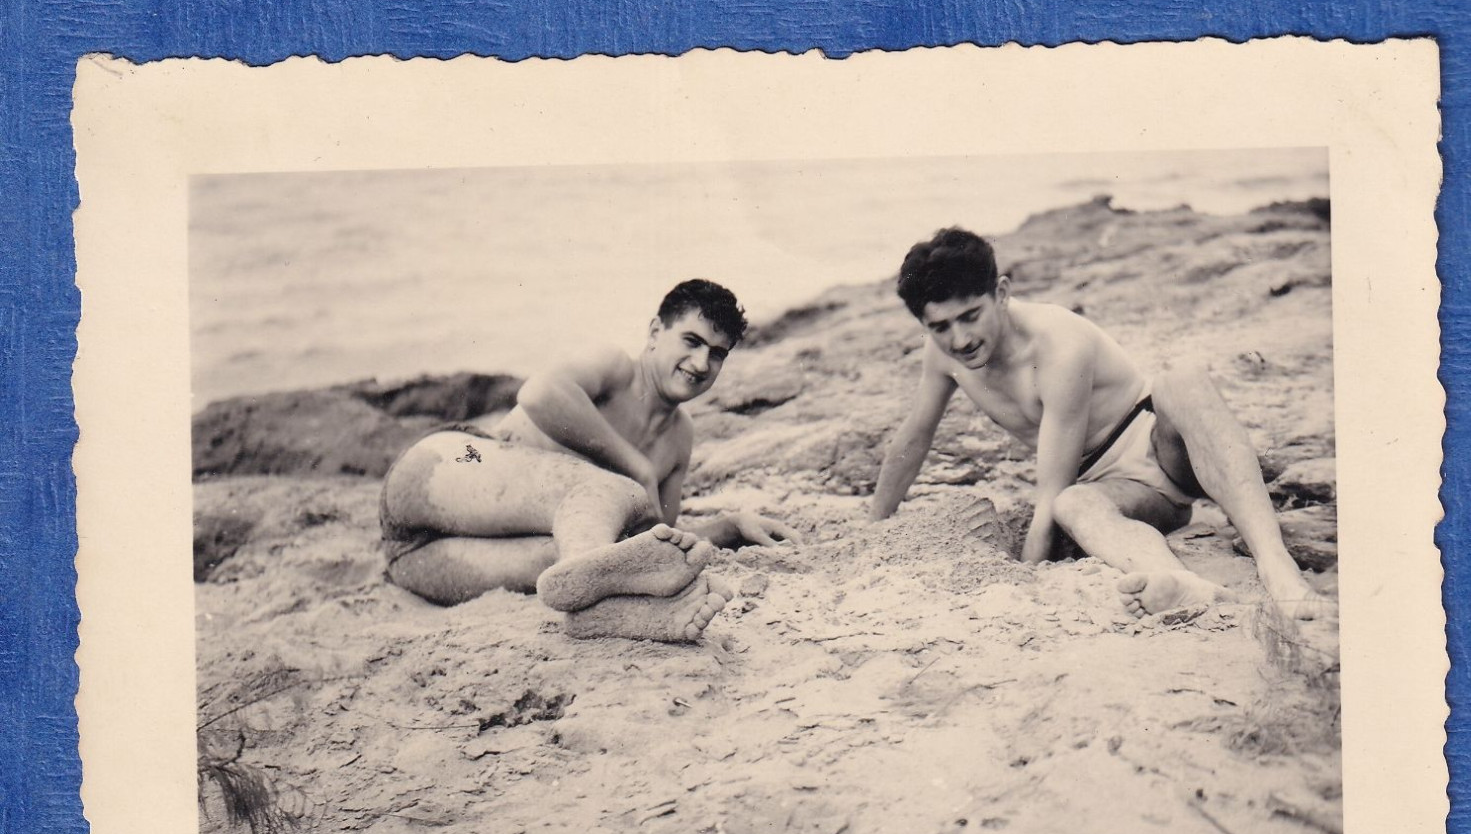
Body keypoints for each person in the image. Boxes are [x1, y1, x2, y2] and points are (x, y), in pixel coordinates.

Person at [870, 227, 1334, 624]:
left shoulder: (1058, 344)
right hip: (1127, 491)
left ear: (1002, 294)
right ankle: (1178, 582)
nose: (961, 338)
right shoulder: (943, 356)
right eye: (941, 327)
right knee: (1074, 505)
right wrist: (876, 525)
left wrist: (1029, 571)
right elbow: (915, 436)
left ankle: (1277, 568)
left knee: (1182, 378)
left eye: (971, 316)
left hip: (1166, 445)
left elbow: (1050, 481)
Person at [379, 279, 800, 642]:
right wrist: (636, 466)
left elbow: (652, 545)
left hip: (417, 562)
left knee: (581, 555)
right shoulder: (616, 370)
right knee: (606, 490)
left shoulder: (679, 438)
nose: (700, 363)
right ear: (655, 331)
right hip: (449, 464)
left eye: (718, 353)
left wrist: (731, 527)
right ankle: (596, 603)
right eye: (691, 341)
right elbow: (539, 394)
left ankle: (596, 613)